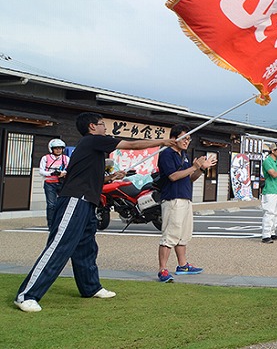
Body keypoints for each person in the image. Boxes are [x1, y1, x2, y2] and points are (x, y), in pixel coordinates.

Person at [14, 112, 175, 312]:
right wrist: (165, 141)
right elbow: (132, 145)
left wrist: (113, 177)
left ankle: (90, 287)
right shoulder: (92, 141)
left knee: (86, 248)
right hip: (75, 200)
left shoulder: (92, 150)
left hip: (88, 202)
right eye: (101, 124)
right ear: (92, 127)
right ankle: (26, 295)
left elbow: (90, 179)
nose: (105, 128)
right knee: (59, 246)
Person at [156, 124, 217, 283]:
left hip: (185, 197)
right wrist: (194, 166)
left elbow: (190, 178)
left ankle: (182, 265)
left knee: (183, 235)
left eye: (189, 139)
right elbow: (173, 176)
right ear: (174, 138)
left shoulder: (184, 154)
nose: (187, 142)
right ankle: (162, 269)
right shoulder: (166, 154)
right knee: (170, 235)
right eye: (184, 138)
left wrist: (201, 169)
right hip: (173, 198)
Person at [39, 139, 70, 228]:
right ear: (51, 149)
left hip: (61, 183)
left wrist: (63, 173)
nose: (58, 150)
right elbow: (41, 171)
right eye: (56, 148)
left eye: (60, 148)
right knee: (51, 204)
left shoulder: (66, 158)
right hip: (49, 183)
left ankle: (62, 223)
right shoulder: (45, 158)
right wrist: (51, 173)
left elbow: (68, 169)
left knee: (63, 203)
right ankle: (51, 224)